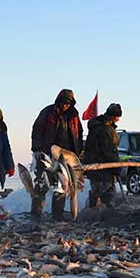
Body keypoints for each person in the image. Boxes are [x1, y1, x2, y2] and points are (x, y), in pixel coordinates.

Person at [30, 89, 84, 223]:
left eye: (68, 103)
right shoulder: (48, 113)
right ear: (58, 101)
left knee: (62, 185)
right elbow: (37, 130)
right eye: (64, 103)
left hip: (66, 157)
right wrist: (37, 150)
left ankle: (57, 216)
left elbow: (79, 134)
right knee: (42, 183)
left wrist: (79, 152)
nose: (65, 106)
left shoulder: (74, 116)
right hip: (48, 154)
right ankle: (36, 214)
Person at [83, 103, 123, 209]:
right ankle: (104, 213)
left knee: (96, 190)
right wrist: (116, 166)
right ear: (112, 116)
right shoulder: (104, 129)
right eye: (116, 116)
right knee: (107, 191)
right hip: (102, 166)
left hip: (94, 165)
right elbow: (110, 150)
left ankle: (92, 211)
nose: (118, 119)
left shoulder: (101, 127)